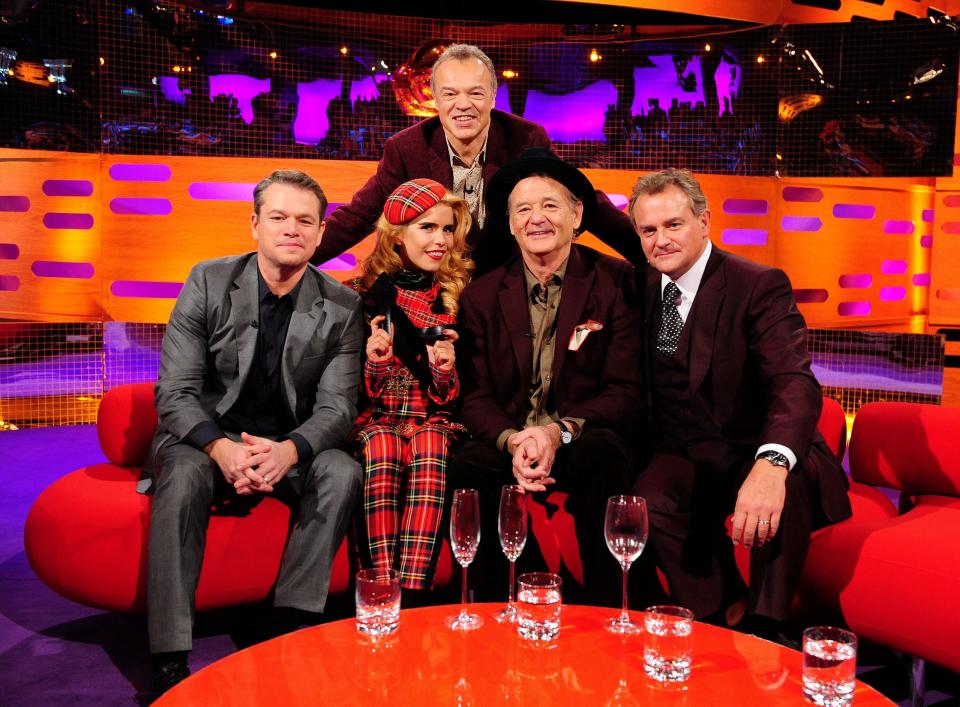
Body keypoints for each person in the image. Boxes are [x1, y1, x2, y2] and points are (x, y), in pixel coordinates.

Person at [144, 169, 364, 700]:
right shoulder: (208, 280)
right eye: (279, 217)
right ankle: (170, 654)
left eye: (304, 221)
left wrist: (288, 451)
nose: (292, 229)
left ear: (318, 235)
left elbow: (338, 407)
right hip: (207, 436)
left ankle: (288, 627)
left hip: (286, 444)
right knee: (183, 474)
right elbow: (173, 392)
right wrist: (220, 448)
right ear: (255, 225)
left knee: (342, 469)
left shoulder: (342, 305)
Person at [627, 168, 852, 642]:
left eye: (674, 224)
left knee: (782, 486)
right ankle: (717, 616)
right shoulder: (642, 286)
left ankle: (770, 629)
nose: (661, 240)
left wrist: (771, 464)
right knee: (650, 493)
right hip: (690, 450)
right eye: (648, 230)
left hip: (757, 443)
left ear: (705, 222)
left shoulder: (758, 284)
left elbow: (794, 380)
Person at [448, 148, 644, 606]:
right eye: (524, 209)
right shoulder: (480, 296)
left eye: (550, 206)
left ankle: (605, 607)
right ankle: (513, 600)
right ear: (510, 223)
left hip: (580, 437)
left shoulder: (617, 283)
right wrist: (515, 441)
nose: (537, 218)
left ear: (577, 215)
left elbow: (626, 390)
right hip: (516, 439)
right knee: (468, 464)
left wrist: (557, 433)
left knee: (604, 453)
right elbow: (474, 395)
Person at [312, 43, 644, 273]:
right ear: (435, 100)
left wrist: (649, 255)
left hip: (503, 286)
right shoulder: (406, 148)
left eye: (475, 93)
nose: (463, 104)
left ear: (493, 97)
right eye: (450, 94)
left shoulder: (526, 140)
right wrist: (295, 259)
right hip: (433, 286)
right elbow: (358, 217)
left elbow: (585, 201)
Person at [347, 178, 473, 598]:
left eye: (448, 229)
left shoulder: (459, 298)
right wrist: (376, 363)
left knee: (432, 444)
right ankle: (381, 589)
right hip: (378, 418)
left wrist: (443, 370)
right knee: (382, 446)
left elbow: (456, 397)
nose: (440, 240)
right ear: (397, 235)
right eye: (428, 228)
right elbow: (352, 391)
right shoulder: (363, 296)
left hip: (434, 419)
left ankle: (415, 594)